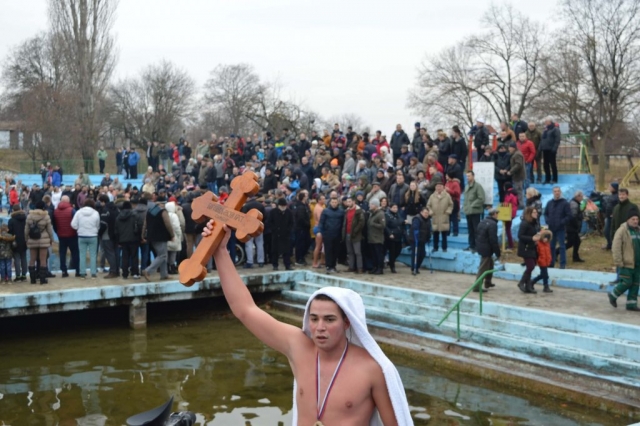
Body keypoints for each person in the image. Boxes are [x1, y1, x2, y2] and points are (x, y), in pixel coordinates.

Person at [201, 220, 411, 425]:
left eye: (329, 319)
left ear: (347, 323)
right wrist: (220, 250)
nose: (320, 327)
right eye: (314, 318)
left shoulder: (371, 369)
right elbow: (245, 309)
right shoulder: (299, 348)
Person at [609, 208, 640, 311]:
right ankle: (613, 295)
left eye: (637, 219)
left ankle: (631, 304)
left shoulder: (638, 230)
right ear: (628, 220)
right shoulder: (622, 230)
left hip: (637, 264)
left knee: (635, 284)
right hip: (626, 264)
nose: (635, 221)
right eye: (633, 219)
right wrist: (618, 261)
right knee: (627, 282)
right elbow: (616, 247)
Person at [141, 195, 174, 281]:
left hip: (151, 236)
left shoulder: (149, 211)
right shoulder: (163, 211)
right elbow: (168, 224)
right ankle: (148, 271)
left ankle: (164, 274)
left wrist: (143, 235)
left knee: (163, 255)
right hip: (161, 236)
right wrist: (172, 235)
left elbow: (145, 224)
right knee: (162, 255)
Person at [25, 200, 54, 285]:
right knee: (43, 260)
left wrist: (26, 239)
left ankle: (33, 279)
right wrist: (51, 239)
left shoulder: (30, 216)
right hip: (43, 240)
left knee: (32, 259)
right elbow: (49, 230)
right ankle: (42, 279)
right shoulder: (46, 216)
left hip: (32, 239)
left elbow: (26, 229)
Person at [72, 198, 101, 279]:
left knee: (82, 255)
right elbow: (98, 225)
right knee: (93, 255)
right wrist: (95, 230)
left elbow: (73, 224)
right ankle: (93, 273)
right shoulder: (96, 213)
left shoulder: (78, 212)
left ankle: (82, 273)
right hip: (93, 236)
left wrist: (78, 229)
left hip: (81, 236)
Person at [544, 187, 571, 269]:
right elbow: (545, 214)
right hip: (551, 228)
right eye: (555, 191)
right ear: (553, 192)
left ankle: (562, 264)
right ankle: (551, 262)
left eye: (558, 191)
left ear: (560, 192)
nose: (557, 193)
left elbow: (569, 215)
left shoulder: (565, 203)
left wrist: (562, 222)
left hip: (560, 228)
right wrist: (547, 221)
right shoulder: (549, 203)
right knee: (551, 246)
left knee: (562, 246)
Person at [475, 208, 501, 292]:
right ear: (494, 214)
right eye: (497, 213)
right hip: (487, 248)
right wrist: (498, 252)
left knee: (490, 264)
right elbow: (493, 240)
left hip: (481, 246)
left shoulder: (482, 221)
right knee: (483, 267)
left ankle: (488, 282)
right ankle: (477, 286)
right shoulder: (493, 224)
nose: (498, 215)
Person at [53, 195, 80, 278]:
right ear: (68, 201)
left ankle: (64, 271)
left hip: (61, 236)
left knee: (62, 254)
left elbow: (54, 225)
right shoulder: (72, 210)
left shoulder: (55, 211)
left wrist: (57, 233)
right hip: (72, 235)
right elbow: (76, 223)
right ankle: (77, 271)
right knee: (75, 253)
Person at [517, 207, 541, 294]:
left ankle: (528, 286)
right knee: (531, 266)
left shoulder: (533, 223)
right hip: (525, 248)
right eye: (534, 212)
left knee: (532, 265)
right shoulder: (525, 223)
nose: (536, 214)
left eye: (536, 212)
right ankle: (521, 282)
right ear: (529, 213)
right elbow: (520, 235)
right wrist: (532, 238)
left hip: (532, 247)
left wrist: (538, 236)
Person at [319, 197, 345, 274]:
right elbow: (321, 222)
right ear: (330, 203)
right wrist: (321, 231)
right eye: (332, 202)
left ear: (338, 203)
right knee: (328, 251)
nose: (334, 204)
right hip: (328, 234)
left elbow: (343, 223)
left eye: (335, 202)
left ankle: (333, 266)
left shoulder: (341, 212)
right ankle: (328, 266)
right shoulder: (326, 211)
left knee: (336, 251)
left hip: (337, 234)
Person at [115, 201, 140, 279]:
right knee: (134, 256)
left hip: (122, 240)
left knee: (124, 257)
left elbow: (116, 230)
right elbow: (138, 227)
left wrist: (118, 241)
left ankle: (125, 274)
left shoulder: (118, 217)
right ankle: (135, 273)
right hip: (133, 239)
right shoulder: (134, 215)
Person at [268, 198, 294, 271]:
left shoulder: (289, 212)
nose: (283, 207)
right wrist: (274, 230)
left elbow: (291, 222)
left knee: (286, 251)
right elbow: (269, 222)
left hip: (285, 235)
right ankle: (275, 265)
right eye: (282, 206)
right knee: (275, 251)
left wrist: (288, 230)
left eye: (284, 206)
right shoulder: (273, 212)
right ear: (278, 206)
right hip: (276, 234)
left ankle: (287, 265)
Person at [463, 171, 485, 253]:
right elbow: (466, 199)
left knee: (476, 230)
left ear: (473, 176)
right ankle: (471, 245)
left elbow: (481, 198)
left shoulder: (477, 186)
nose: (467, 178)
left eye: (469, 176)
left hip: (475, 211)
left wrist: (472, 205)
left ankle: (477, 246)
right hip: (468, 212)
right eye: (466, 176)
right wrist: (465, 207)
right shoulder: (466, 187)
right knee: (470, 230)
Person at [427, 182, 453, 252]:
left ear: (443, 187)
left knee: (444, 234)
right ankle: (435, 247)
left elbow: (451, 205)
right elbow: (428, 205)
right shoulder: (432, 196)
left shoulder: (447, 196)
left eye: (440, 186)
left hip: (444, 216)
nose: (438, 188)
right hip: (435, 217)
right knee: (435, 234)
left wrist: (448, 212)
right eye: (437, 186)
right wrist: (431, 212)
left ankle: (444, 248)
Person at [343, 197, 364, 273]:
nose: (348, 203)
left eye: (349, 201)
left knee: (357, 252)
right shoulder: (346, 211)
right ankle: (351, 267)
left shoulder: (358, 211)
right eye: (347, 202)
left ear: (353, 202)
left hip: (356, 234)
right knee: (350, 251)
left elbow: (361, 223)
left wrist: (355, 231)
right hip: (347, 233)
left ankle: (359, 268)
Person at [409, 207, 432, 276]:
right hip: (415, 240)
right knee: (416, 254)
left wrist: (428, 237)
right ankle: (414, 268)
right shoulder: (417, 219)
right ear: (421, 212)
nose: (426, 214)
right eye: (425, 213)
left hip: (423, 240)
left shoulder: (428, 220)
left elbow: (429, 229)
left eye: (427, 213)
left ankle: (417, 266)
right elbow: (415, 228)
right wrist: (416, 236)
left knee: (422, 254)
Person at [8, 204, 27, 282]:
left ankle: (18, 276)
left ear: (13, 210)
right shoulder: (25, 218)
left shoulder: (11, 220)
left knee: (16, 259)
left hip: (15, 241)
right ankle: (24, 276)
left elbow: (10, 232)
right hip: (24, 240)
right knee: (24, 258)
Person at [564, 190, 585, 263]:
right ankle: (556, 252)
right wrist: (576, 226)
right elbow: (573, 217)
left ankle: (575, 257)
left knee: (577, 242)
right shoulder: (574, 204)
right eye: (581, 196)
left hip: (573, 227)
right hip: (571, 227)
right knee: (570, 243)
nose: (582, 198)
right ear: (578, 196)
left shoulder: (575, 203)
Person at [540, 116, 561, 184]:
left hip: (551, 149)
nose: (545, 122)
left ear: (550, 121)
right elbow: (542, 139)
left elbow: (557, 139)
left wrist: (554, 148)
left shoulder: (555, 129)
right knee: (545, 165)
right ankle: (547, 179)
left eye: (546, 121)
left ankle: (554, 179)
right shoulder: (545, 130)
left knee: (552, 164)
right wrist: (540, 148)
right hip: (545, 149)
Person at [531, 228, 553, 293]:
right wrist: (538, 260)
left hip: (546, 261)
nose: (545, 239)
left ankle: (532, 282)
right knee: (545, 275)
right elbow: (537, 253)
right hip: (541, 261)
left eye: (547, 238)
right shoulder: (538, 244)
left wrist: (549, 259)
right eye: (545, 237)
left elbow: (548, 253)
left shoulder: (547, 244)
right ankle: (546, 286)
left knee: (543, 275)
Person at [367, 198, 386, 275]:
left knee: (378, 254)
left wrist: (373, 224)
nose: (370, 206)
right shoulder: (372, 213)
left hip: (377, 238)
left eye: (371, 204)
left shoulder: (380, 214)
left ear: (375, 205)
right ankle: (375, 267)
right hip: (371, 237)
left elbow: (383, 225)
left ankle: (380, 268)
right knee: (373, 254)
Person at [384, 203, 404, 273]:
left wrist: (403, 222)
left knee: (398, 250)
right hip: (391, 236)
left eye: (396, 207)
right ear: (390, 208)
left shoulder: (398, 214)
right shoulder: (387, 215)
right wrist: (389, 233)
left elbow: (400, 221)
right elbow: (385, 226)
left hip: (398, 235)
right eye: (394, 207)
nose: (395, 209)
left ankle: (391, 262)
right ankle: (392, 266)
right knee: (392, 252)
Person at [507, 142, 525, 208]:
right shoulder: (515, 154)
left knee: (518, 190)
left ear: (513, 148)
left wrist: (511, 171)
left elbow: (518, 165)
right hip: (516, 175)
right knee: (517, 189)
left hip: (518, 175)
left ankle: (521, 204)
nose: (509, 149)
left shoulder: (517, 154)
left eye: (510, 148)